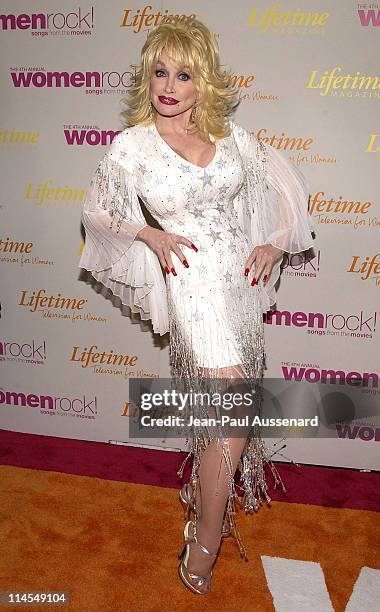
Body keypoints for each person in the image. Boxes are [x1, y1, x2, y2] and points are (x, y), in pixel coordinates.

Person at [78, 18, 315, 595]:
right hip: (191, 279)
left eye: (183, 74)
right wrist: (150, 236)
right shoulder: (131, 146)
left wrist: (275, 242)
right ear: (147, 76)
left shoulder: (233, 138)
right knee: (233, 408)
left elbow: (287, 191)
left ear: (202, 81)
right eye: (160, 71)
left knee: (229, 410)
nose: (169, 85)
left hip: (237, 282)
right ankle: (207, 534)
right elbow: (98, 214)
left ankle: (199, 495)